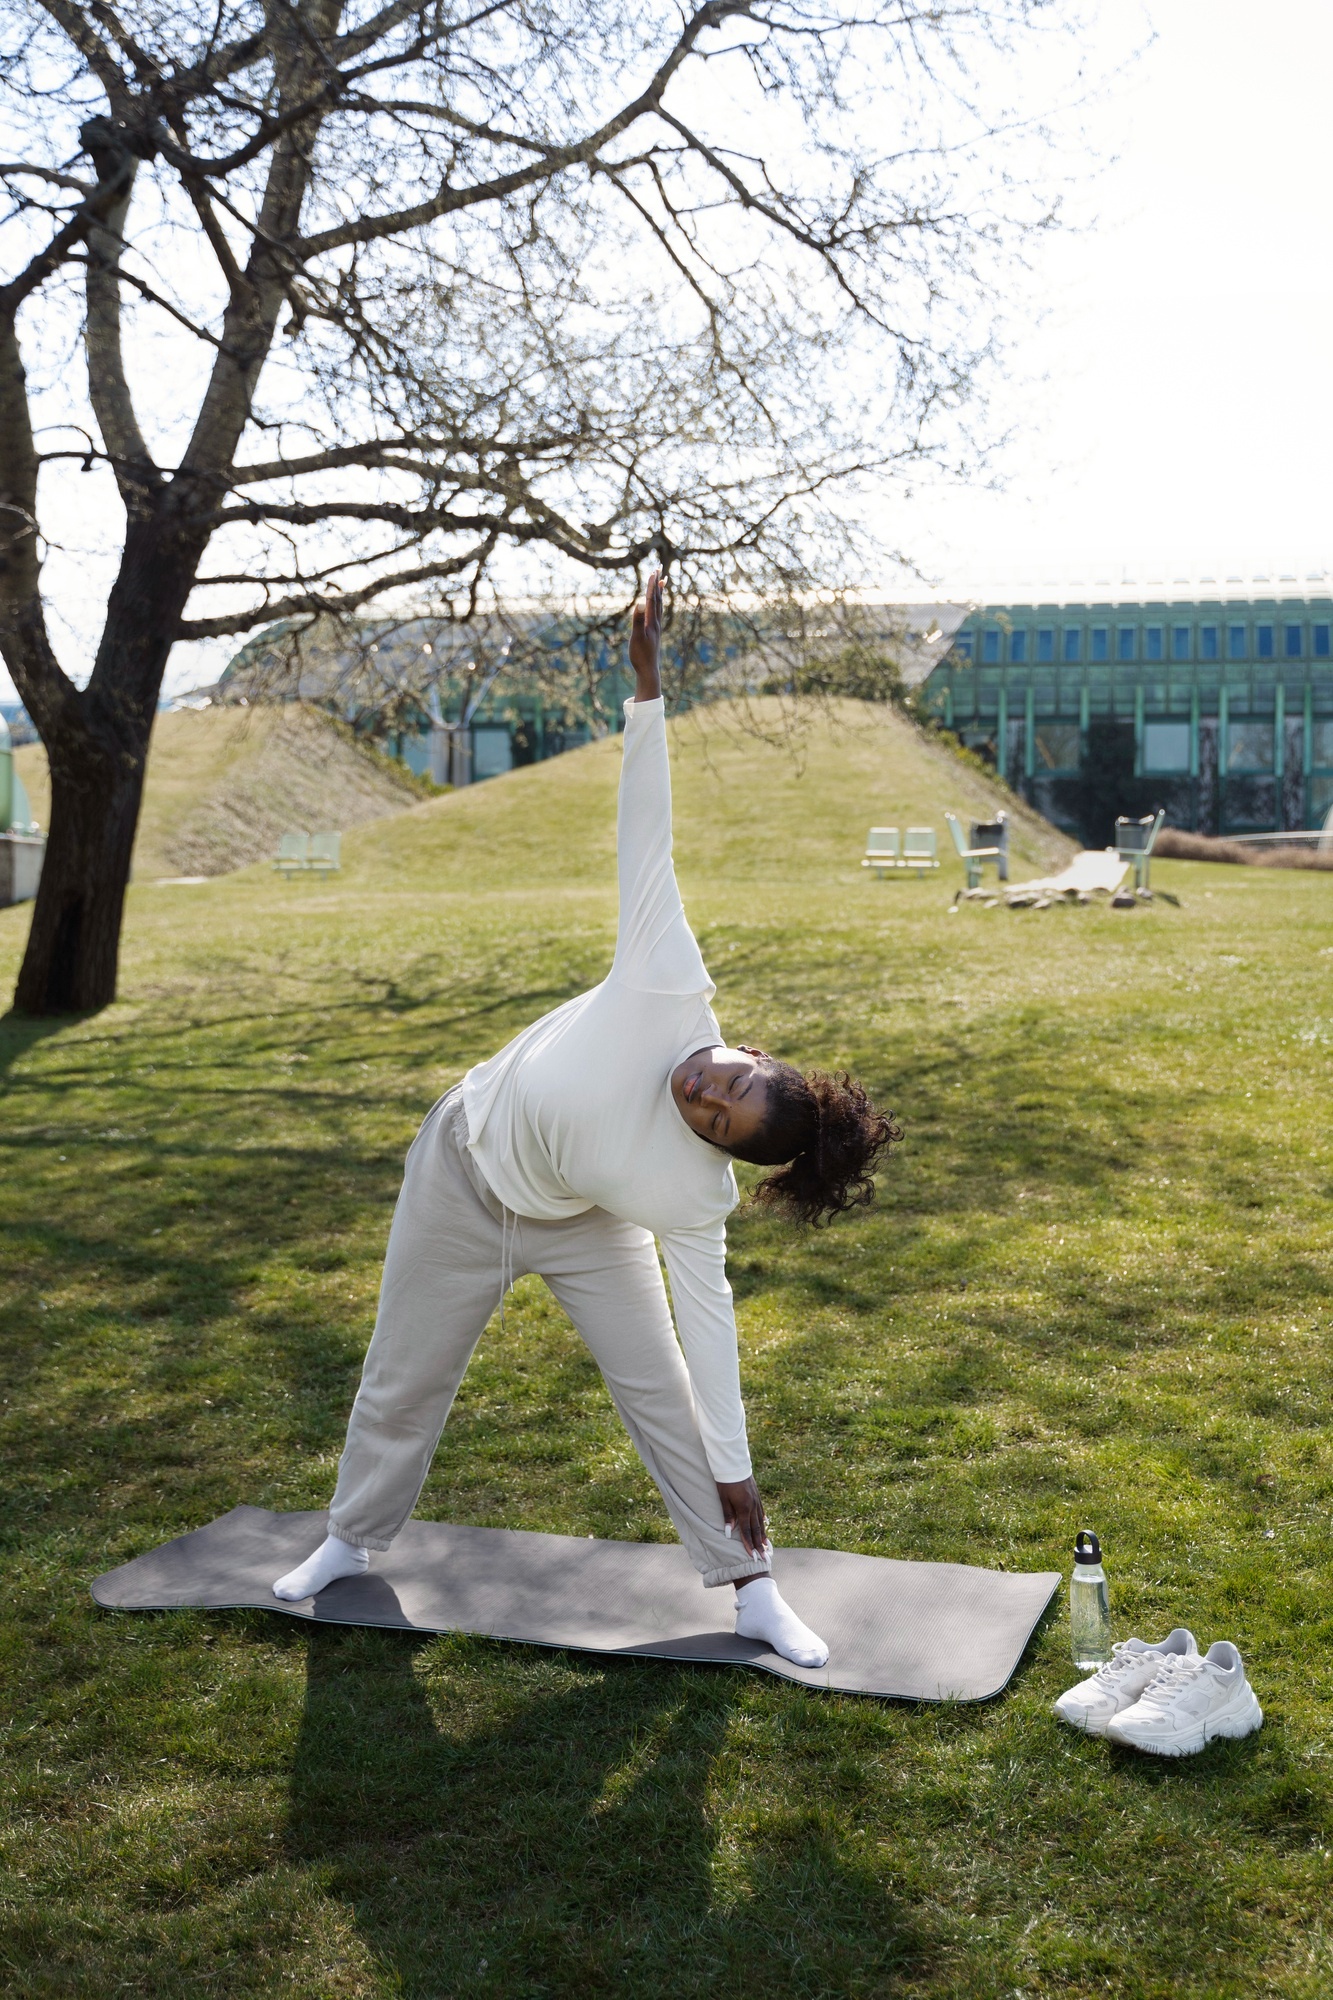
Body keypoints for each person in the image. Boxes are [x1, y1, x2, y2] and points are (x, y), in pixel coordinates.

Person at [274, 573, 899, 1666]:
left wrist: (739, 1463)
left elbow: (711, 1335)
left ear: (723, 1157)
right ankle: (348, 1541)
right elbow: (645, 833)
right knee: (402, 1374)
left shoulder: (690, 1196)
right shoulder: (669, 980)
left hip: (586, 1221)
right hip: (461, 1170)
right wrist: (647, 688)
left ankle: (750, 1585)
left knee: (662, 1392)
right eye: (722, 1079)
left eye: (715, 1119)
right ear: (746, 1049)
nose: (699, 1094)